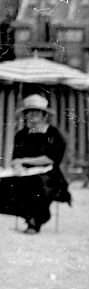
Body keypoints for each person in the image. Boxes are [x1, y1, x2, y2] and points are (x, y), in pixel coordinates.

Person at [0, 94, 71, 233]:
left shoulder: (53, 133)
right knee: (6, 183)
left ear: (44, 115)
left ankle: (35, 221)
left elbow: (50, 159)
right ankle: (26, 216)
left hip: (49, 173)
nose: (32, 115)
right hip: (25, 172)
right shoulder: (21, 134)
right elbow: (16, 157)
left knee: (37, 185)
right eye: (29, 112)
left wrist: (24, 161)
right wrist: (18, 166)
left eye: (36, 112)